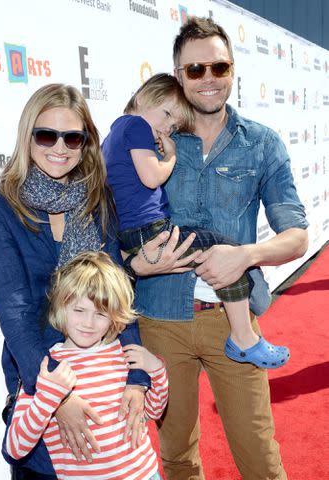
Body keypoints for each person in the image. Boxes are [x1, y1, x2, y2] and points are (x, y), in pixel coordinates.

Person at [125, 17, 309, 480]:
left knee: (260, 458)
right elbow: (118, 218)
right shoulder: (151, 138)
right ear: (177, 73)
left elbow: (298, 236)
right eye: (195, 70)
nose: (208, 79)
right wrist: (135, 264)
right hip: (161, 319)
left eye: (218, 67)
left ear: (232, 71)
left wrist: (245, 255)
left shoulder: (262, 143)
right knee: (177, 456)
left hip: (234, 325)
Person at [0, 83, 156, 479]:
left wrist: (138, 378)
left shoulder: (97, 201)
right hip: (39, 382)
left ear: (86, 143)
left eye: (72, 137)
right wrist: (58, 396)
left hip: (103, 378)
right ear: (28, 136)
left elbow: (116, 297)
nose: (60, 147)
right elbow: (17, 315)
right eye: (46, 134)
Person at [102, 72, 289, 369]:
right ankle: (244, 338)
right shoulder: (136, 126)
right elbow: (152, 177)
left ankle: (245, 326)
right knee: (224, 248)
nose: (166, 128)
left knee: (218, 253)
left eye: (174, 125)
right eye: (165, 115)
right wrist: (171, 156)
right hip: (153, 233)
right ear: (140, 99)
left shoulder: (112, 136)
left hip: (135, 236)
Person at [5, 251, 167, 480]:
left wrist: (157, 372)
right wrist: (49, 397)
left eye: (101, 314)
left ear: (114, 316)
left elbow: (152, 411)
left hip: (145, 474)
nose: (88, 323)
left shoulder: (124, 353)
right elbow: (15, 448)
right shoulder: (45, 367)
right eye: (79, 310)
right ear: (61, 307)